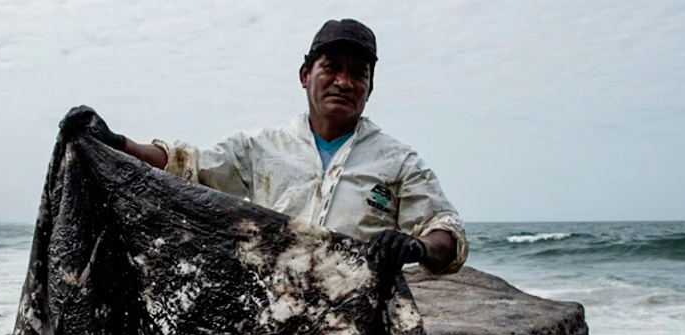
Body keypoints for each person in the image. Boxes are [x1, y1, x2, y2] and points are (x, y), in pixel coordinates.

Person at [60, 18, 468, 279]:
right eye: (332, 68)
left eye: (358, 74)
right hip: (274, 312)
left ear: (370, 88)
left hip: (357, 325)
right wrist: (117, 144)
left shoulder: (397, 160)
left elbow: (445, 231)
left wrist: (415, 245)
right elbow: (189, 167)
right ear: (306, 74)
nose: (344, 82)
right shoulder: (262, 147)